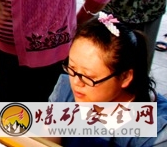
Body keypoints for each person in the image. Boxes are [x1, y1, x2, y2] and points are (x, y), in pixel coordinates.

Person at [49, 16, 167, 146]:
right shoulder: (65, 90)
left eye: (89, 77)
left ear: (125, 77)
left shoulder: (156, 133)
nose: (76, 82)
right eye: (71, 68)